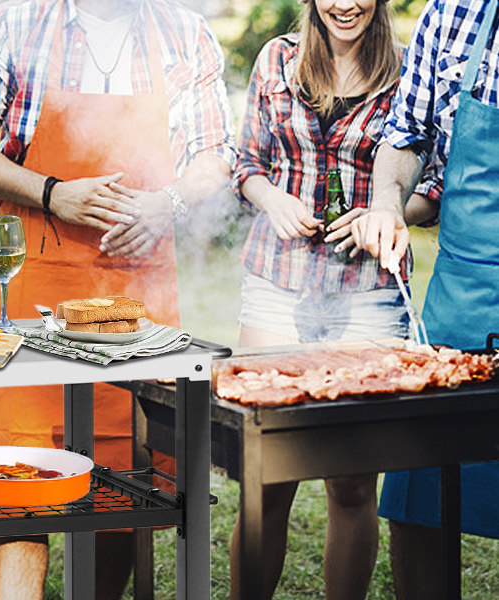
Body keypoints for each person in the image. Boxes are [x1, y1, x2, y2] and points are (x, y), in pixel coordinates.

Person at [0, 0, 235, 598]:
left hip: (141, 300)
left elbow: (215, 156)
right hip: (38, 282)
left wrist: (167, 204)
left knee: (132, 477)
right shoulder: (16, 23)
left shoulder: (183, 31)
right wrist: (51, 193)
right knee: (19, 476)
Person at [228, 0, 439, 598]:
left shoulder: (409, 72)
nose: (345, 3)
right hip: (276, 284)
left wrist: (385, 212)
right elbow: (247, 164)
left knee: (350, 481)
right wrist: (272, 200)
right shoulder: (278, 60)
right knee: (265, 474)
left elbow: (436, 186)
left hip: (370, 295)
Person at [349, 0, 499, 597]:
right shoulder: (453, 11)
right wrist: (387, 202)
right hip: (461, 301)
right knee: (421, 504)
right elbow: (406, 137)